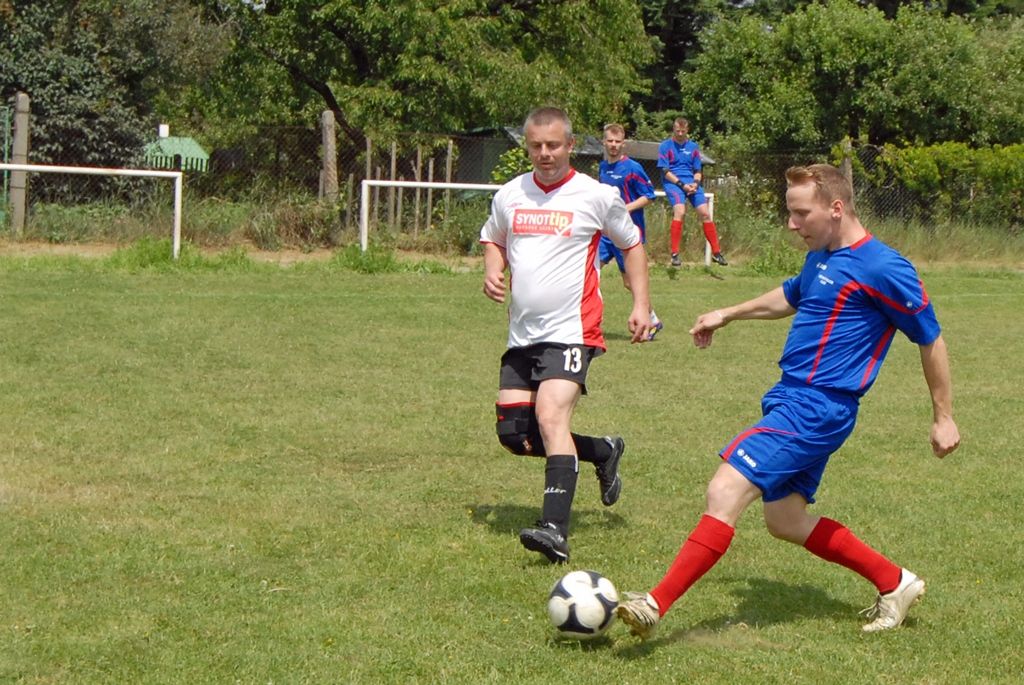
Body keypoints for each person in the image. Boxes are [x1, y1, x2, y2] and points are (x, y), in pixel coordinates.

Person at [616, 163, 961, 638]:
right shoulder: (822, 255)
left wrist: (944, 417)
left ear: (836, 208)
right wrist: (728, 313)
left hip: (818, 408)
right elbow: (792, 295)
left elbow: (930, 337)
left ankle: (655, 604)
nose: (792, 224)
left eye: (801, 214)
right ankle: (895, 582)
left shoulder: (882, 267)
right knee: (785, 519)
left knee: (725, 490)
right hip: (791, 399)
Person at [480, 107, 654, 565]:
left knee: (550, 416)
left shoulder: (596, 195)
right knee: (515, 434)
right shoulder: (510, 193)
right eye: (536, 145)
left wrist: (641, 305)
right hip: (522, 333)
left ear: (570, 145)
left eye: (553, 145)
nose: (544, 153)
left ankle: (554, 529)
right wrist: (493, 269)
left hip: (574, 330)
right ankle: (602, 450)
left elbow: (632, 244)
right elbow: (493, 238)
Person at [598, 123, 663, 340]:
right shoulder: (602, 167)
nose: (613, 145)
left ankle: (651, 319)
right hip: (606, 234)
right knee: (588, 271)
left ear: (623, 144)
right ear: (604, 142)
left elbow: (649, 196)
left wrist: (624, 209)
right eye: (610, 141)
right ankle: (585, 322)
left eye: (617, 142)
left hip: (627, 234)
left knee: (630, 283)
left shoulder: (633, 168)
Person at [657, 117, 727, 267]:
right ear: (673, 129)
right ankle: (675, 254)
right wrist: (682, 185)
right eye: (677, 131)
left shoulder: (693, 147)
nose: (680, 134)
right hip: (673, 183)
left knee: (705, 213)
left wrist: (695, 184)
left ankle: (716, 253)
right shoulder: (665, 146)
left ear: (687, 130)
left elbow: (698, 171)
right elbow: (665, 171)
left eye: (683, 131)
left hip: (691, 183)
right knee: (680, 212)